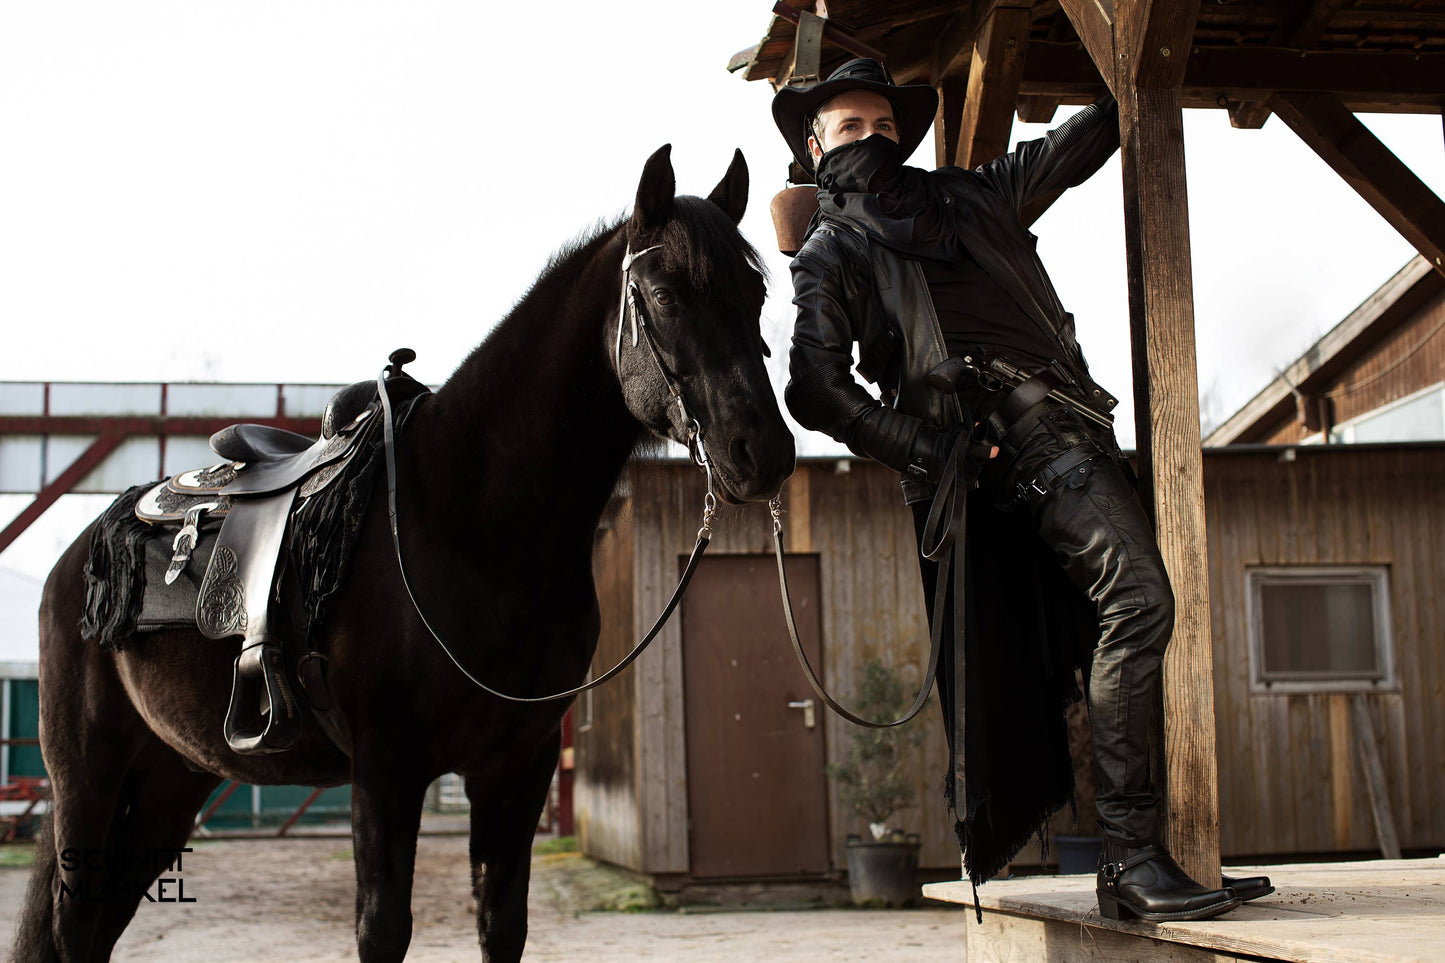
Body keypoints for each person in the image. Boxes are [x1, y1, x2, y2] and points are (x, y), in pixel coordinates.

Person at [773, 58, 1268, 923]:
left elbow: (1077, 145)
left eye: (884, 126)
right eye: (849, 129)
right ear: (815, 147)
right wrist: (929, 445)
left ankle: (1161, 857)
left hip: (1079, 422)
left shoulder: (972, 196)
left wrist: (1142, 69)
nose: (872, 140)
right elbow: (815, 387)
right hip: (1002, 447)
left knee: (1126, 618)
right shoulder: (832, 248)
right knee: (1140, 598)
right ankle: (1130, 862)